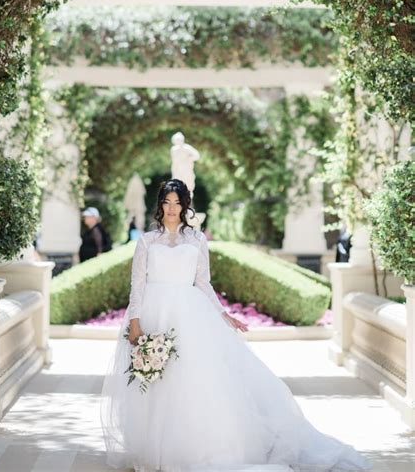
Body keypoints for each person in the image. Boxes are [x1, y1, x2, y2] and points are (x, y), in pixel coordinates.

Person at [100, 179, 372, 472]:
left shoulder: (197, 239)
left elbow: (202, 282)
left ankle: (195, 447)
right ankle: (154, 448)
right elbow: (137, 283)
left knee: (193, 379)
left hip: (190, 315)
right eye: (167, 202)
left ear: (185, 205)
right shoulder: (147, 241)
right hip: (154, 310)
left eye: (177, 203)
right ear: (160, 204)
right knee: (155, 381)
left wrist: (222, 314)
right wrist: (136, 321)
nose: (172, 208)